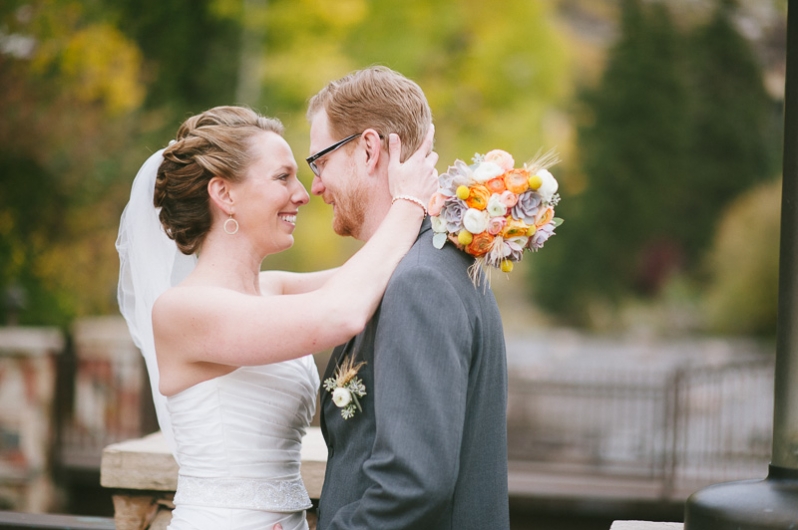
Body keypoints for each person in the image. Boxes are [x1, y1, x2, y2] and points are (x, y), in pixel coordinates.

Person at [116, 105, 438, 530]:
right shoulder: (182, 310)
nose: (304, 193)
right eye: (282, 177)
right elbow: (341, 314)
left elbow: (380, 272)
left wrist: (468, 214)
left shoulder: (274, 288)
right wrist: (409, 203)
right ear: (224, 194)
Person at [309, 66, 510, 529]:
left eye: (320, 162)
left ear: (368, 149)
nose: (316, 185)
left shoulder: (421, 282)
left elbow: (412, 484)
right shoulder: (430, 262)